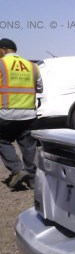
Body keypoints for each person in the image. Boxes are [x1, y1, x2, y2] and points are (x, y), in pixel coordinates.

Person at [0, 38, 42, 190]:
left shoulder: (1, 63)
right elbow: (40, 88)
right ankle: (31, 178)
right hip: (29, 114)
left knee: (3, 141)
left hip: (6, 112)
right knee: (29, 146)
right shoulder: (32, 66)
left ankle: (18, 170)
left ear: (3, 49)